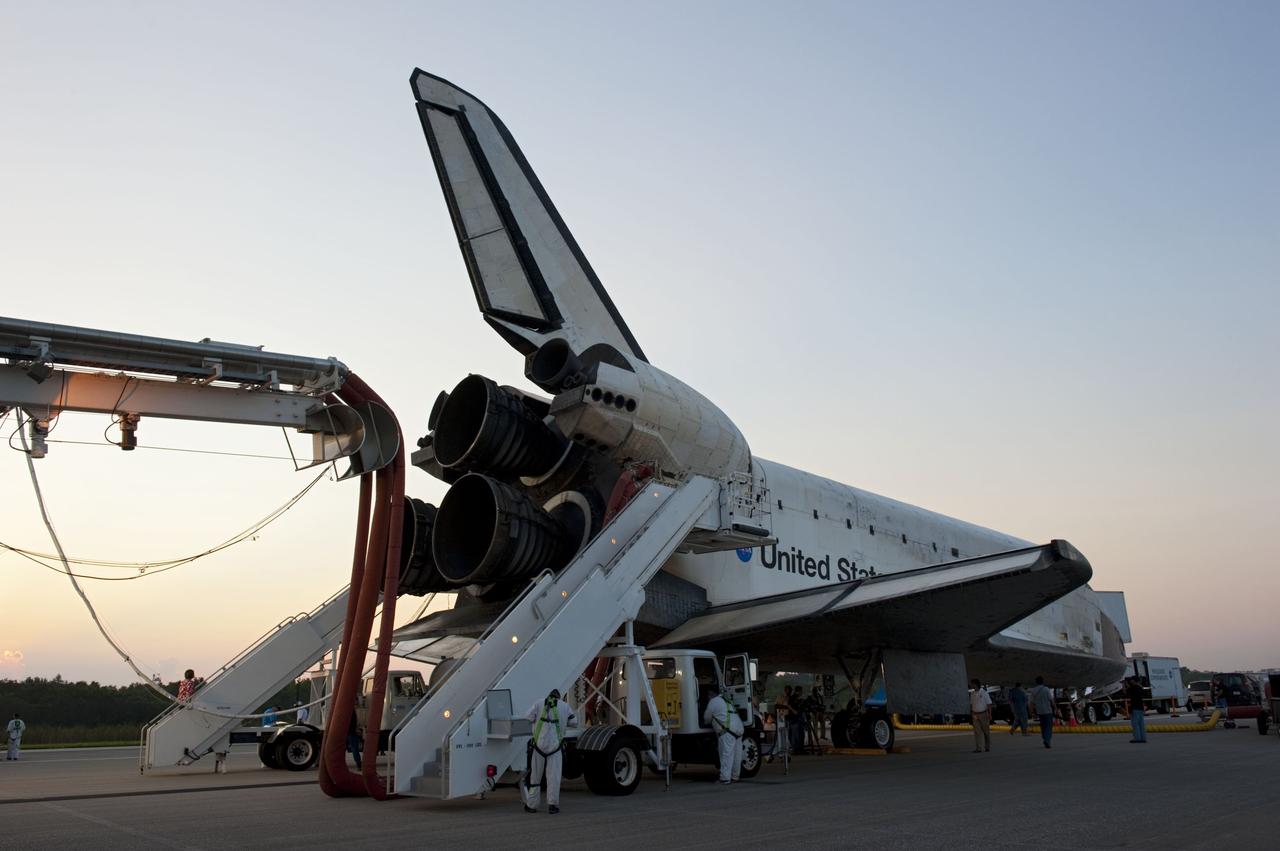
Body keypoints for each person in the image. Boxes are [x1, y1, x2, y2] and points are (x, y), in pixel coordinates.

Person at [523, 688, 576, 814]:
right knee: (554, 777)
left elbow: (528, 717)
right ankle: (552, 805)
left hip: (538, 747)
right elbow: (574, 722)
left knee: (535, 777)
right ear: (559, 697)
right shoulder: (565, 706)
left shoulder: (538, 703)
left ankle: (532, 805)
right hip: (555, 748)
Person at [703, 682, 745, 784]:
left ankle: (725, 778)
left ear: (711, 693)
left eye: (708, 695)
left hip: (727, 731)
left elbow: (706, 718)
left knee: (726, 755)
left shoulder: (713, 702)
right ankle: (735, 776)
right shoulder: (726, 700)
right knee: (736, 755)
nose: (708, 697)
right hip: (739, 729)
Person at [1028, 676, 1055, 749]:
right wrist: (1055, 708)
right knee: (1048, 727)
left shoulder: (1033, 690)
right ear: (1043, 682)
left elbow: (1031, 703)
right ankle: (1047, 740)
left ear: (1036, 682)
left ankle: (1044, 738)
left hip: (1040, 712)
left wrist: (1032, 712)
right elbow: (1051, 700)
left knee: (1043, 727)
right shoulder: (1046, 689)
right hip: (1048, 711)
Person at [969, 679, 992, 752]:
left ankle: (987, 746)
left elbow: (989, 704)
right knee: (977, 732)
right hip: (975, 714)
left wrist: (990, 714)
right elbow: (971, 704)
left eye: (972, 684)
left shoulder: (984, 693)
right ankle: (978, 748)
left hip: (983, 714)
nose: (971, 686)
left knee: (986, 731)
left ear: (976, 684)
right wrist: (972, 713)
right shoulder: (972, 694)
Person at [1126, 676, 1148, 743]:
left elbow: (1126, 693)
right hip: (1140, 707)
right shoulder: (1140, 688)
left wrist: (1125, 685)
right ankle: (1143, 738)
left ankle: (1137, 738)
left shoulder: (1133, 688)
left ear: (1133, 681)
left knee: (1135, 724)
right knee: (1141, 724)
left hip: (1135, 707)